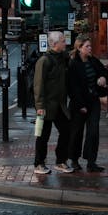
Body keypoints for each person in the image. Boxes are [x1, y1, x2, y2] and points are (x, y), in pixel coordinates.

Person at [32, 30, 74, 174]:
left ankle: (61, 161)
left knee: (66, 131)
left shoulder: (63, 58)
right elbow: (38, 85)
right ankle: (39, 164)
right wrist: (39, 106)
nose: (65, 43)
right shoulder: (44, 61)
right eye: (63, 41)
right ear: (55, 44)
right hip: (46, 106)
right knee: (43, 136)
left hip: (60, 106)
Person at [69, 37, 108, 172]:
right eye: (87, 46)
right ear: (79, 48)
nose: (90, 48)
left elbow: (106, 73)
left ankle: (91, 161)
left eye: (90, 46)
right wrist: (80, 104)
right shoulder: (73, 64)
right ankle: (74, 160)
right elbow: (72, 87)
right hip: (79, 103)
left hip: (93, 101)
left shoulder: (93, 61)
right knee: (77, 132)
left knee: (93, 131)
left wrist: (103, 78)